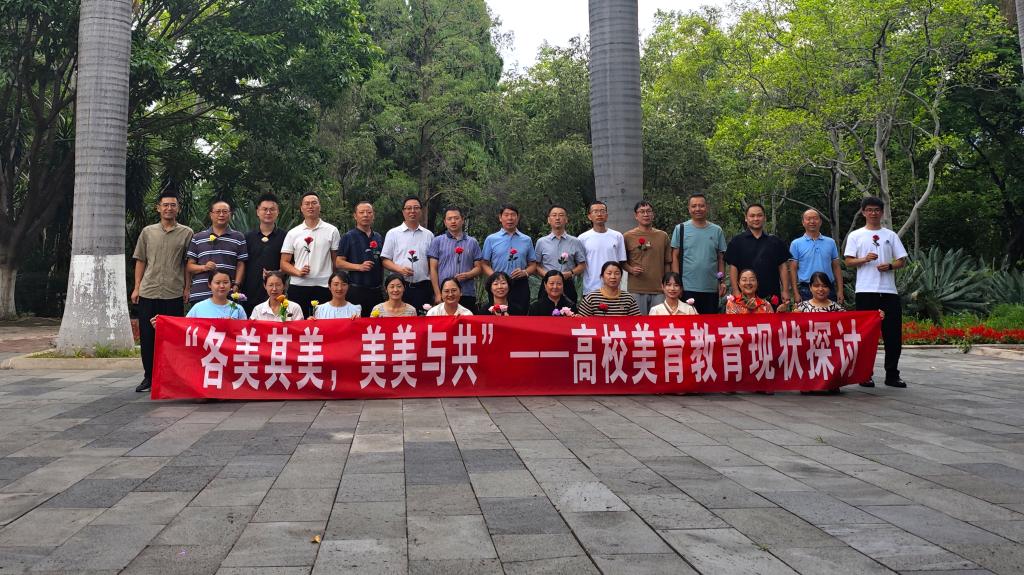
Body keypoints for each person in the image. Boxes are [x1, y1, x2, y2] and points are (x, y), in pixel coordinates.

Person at [130, 190, 193, 393]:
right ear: (158, 208)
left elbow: (187, 263)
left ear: (178, 209)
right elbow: (141, 260)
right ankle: (149, 377)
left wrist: (187, 287)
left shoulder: (186, 233)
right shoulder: (148, 232)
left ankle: (171, 377)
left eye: (173, 205)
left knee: (172, 338)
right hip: (149, 291)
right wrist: (137, 287)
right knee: (148, 336)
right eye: (165, 205)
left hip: (173, 292)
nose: (169, 208)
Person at [844, 196, 908, 388]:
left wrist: (890, 266)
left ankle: (892, 374)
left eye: (877, 210)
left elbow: (902, 260)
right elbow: (848, 261)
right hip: (865, 291)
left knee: (893, 335)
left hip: (889, 292)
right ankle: (865, 374)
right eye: (869, 210)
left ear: (882, 212)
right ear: (863, 212)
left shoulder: (890, 235)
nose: (873, 213)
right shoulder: (856, 235)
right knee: (866, 335)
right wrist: (864, 259)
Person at [281, 191, 340, 317]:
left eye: (314, 203)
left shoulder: (332, 230)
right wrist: (298, 272)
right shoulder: (293, 233)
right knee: (298, 322)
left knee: (324, 323)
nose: (310, 206)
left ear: (320, 206)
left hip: (324, 285)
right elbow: (284, 263)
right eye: (307, 204)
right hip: (299, 285)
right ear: (301, 208)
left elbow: (336, 261)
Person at [725, 203, 791, 306]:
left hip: (772, 294)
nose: (756, 219)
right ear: (746, 218)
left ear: (764, 218)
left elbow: (782, 267)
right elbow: (733, 267)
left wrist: (785, 290)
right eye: (752, 216)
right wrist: (736, 291)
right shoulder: (737, 242)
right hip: (745, 296)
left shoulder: (775, 241)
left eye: (759, 215)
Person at [671, 193, 727, 314]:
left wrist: (721, 282)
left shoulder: (717, 230)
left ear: (707, 207)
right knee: (688, 322)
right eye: (694, 206)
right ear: (689, 208)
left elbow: (721, 258)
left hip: (711, 287)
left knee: (709, 323)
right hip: (687, 287)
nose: (698, 209)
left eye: (701, 206)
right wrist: (677, 283)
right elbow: (675, 256)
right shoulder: (680, 229)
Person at [186, 199, 247, 304]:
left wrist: (236, 285)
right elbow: (189, 267)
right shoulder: (198, 237)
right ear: (211, 215)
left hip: (227, 293)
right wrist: (204, 267)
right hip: (201, 293)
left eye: (225, 212)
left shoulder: (238, 237)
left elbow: (241, 264)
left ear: (230, 214)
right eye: (218, 212)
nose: (221, 215)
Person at [381, 196, 434, 313]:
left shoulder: (429, 235)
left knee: (422, 319)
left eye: (416, 208)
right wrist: (399, 269)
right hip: (400, 287)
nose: (412, 211)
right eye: (408, 208)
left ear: (421, 211)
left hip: (423, 287)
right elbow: (385, 260)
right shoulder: (393, 233)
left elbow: (433, 263)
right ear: (403, 211)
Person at [481, 204, 537, 312]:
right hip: (498, 285)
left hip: (520, 284)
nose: (510, 218)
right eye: (506, 215)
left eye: (513, 215)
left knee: (520, 315)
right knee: (497, 315)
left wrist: (525, 272)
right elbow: (484, 263)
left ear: (518, 217)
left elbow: (533, 264)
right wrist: (495, 277)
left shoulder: (526, 240)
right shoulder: (491, 239)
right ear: (500, 217)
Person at [428, 206, 482, 312]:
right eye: (449, 219)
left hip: (467, 292)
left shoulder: (472, 242)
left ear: (462, 220)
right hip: (445, 293)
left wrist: (468, 274)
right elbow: (433, 269)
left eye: (456, 218)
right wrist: (438, 294)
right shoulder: (437, 241)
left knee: (467, 320)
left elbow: (479, 268)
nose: (453, 221)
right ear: (445, 222)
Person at [335, 201, 384, 317]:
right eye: (361, 212)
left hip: (377, 290)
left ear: (373, 215)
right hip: (357, 290)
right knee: (357, 323)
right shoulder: (348, 236)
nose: (365, 215)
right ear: (355, 216)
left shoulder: (378, 237)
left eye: (369, 212)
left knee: (377, 323)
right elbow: (338, 262)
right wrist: (358, 267)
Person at [623, 201, 672, 314]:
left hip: (659, 289)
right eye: (642, 212)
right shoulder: (627, 236)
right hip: (636, 289)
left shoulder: (663, 236)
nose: (646, 214)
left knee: (659, 322)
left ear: (653, 214)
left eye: (648, 211)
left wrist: (667, 285)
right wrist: (631, 269)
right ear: (636, 215)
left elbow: (667, 262)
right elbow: (621, 261)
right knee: (639, 322)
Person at [242, 193, 286, 316]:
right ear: (257, 212)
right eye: (264, 209)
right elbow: (242, 264)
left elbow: (290, 263)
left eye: (272, 209)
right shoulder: (247, 237)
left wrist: (277, 273)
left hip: (276, 293)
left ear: (278, 212)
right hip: (250, 292)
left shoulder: (286, 236)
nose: (268, 212)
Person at [790, 208, 844, 305]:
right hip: (806, 290)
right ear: (803, 222)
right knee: (807, 315)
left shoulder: (831, 242)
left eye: (815, 218)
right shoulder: (796, 244)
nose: (812, 221)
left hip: (828, 288)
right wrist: (795, 293)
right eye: (808, 219)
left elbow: (836, 266)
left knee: (830, 314)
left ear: (820, 221)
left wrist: (840, 290)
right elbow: (793, 269)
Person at [534, 205, 586, 304]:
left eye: (561, 215)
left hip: (567, 284)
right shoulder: (541, 242)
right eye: (554, 215)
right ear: (549, 220)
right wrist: (547, 275)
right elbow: (535, 265)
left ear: (566, 219)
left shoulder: (575, 241)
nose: (557, 218)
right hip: (547, 284)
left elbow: (582, 265)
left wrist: (570, 273)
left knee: (568, 311)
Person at [579, 201, 627, 295]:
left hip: (613, 288)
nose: (599, 214)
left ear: (607, 215)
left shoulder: (617, 236)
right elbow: (581, 263)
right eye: (595, 211)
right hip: (591, 288)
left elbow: (621, 262)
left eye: (602, 211)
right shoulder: (582, 238)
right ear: (589, 216)